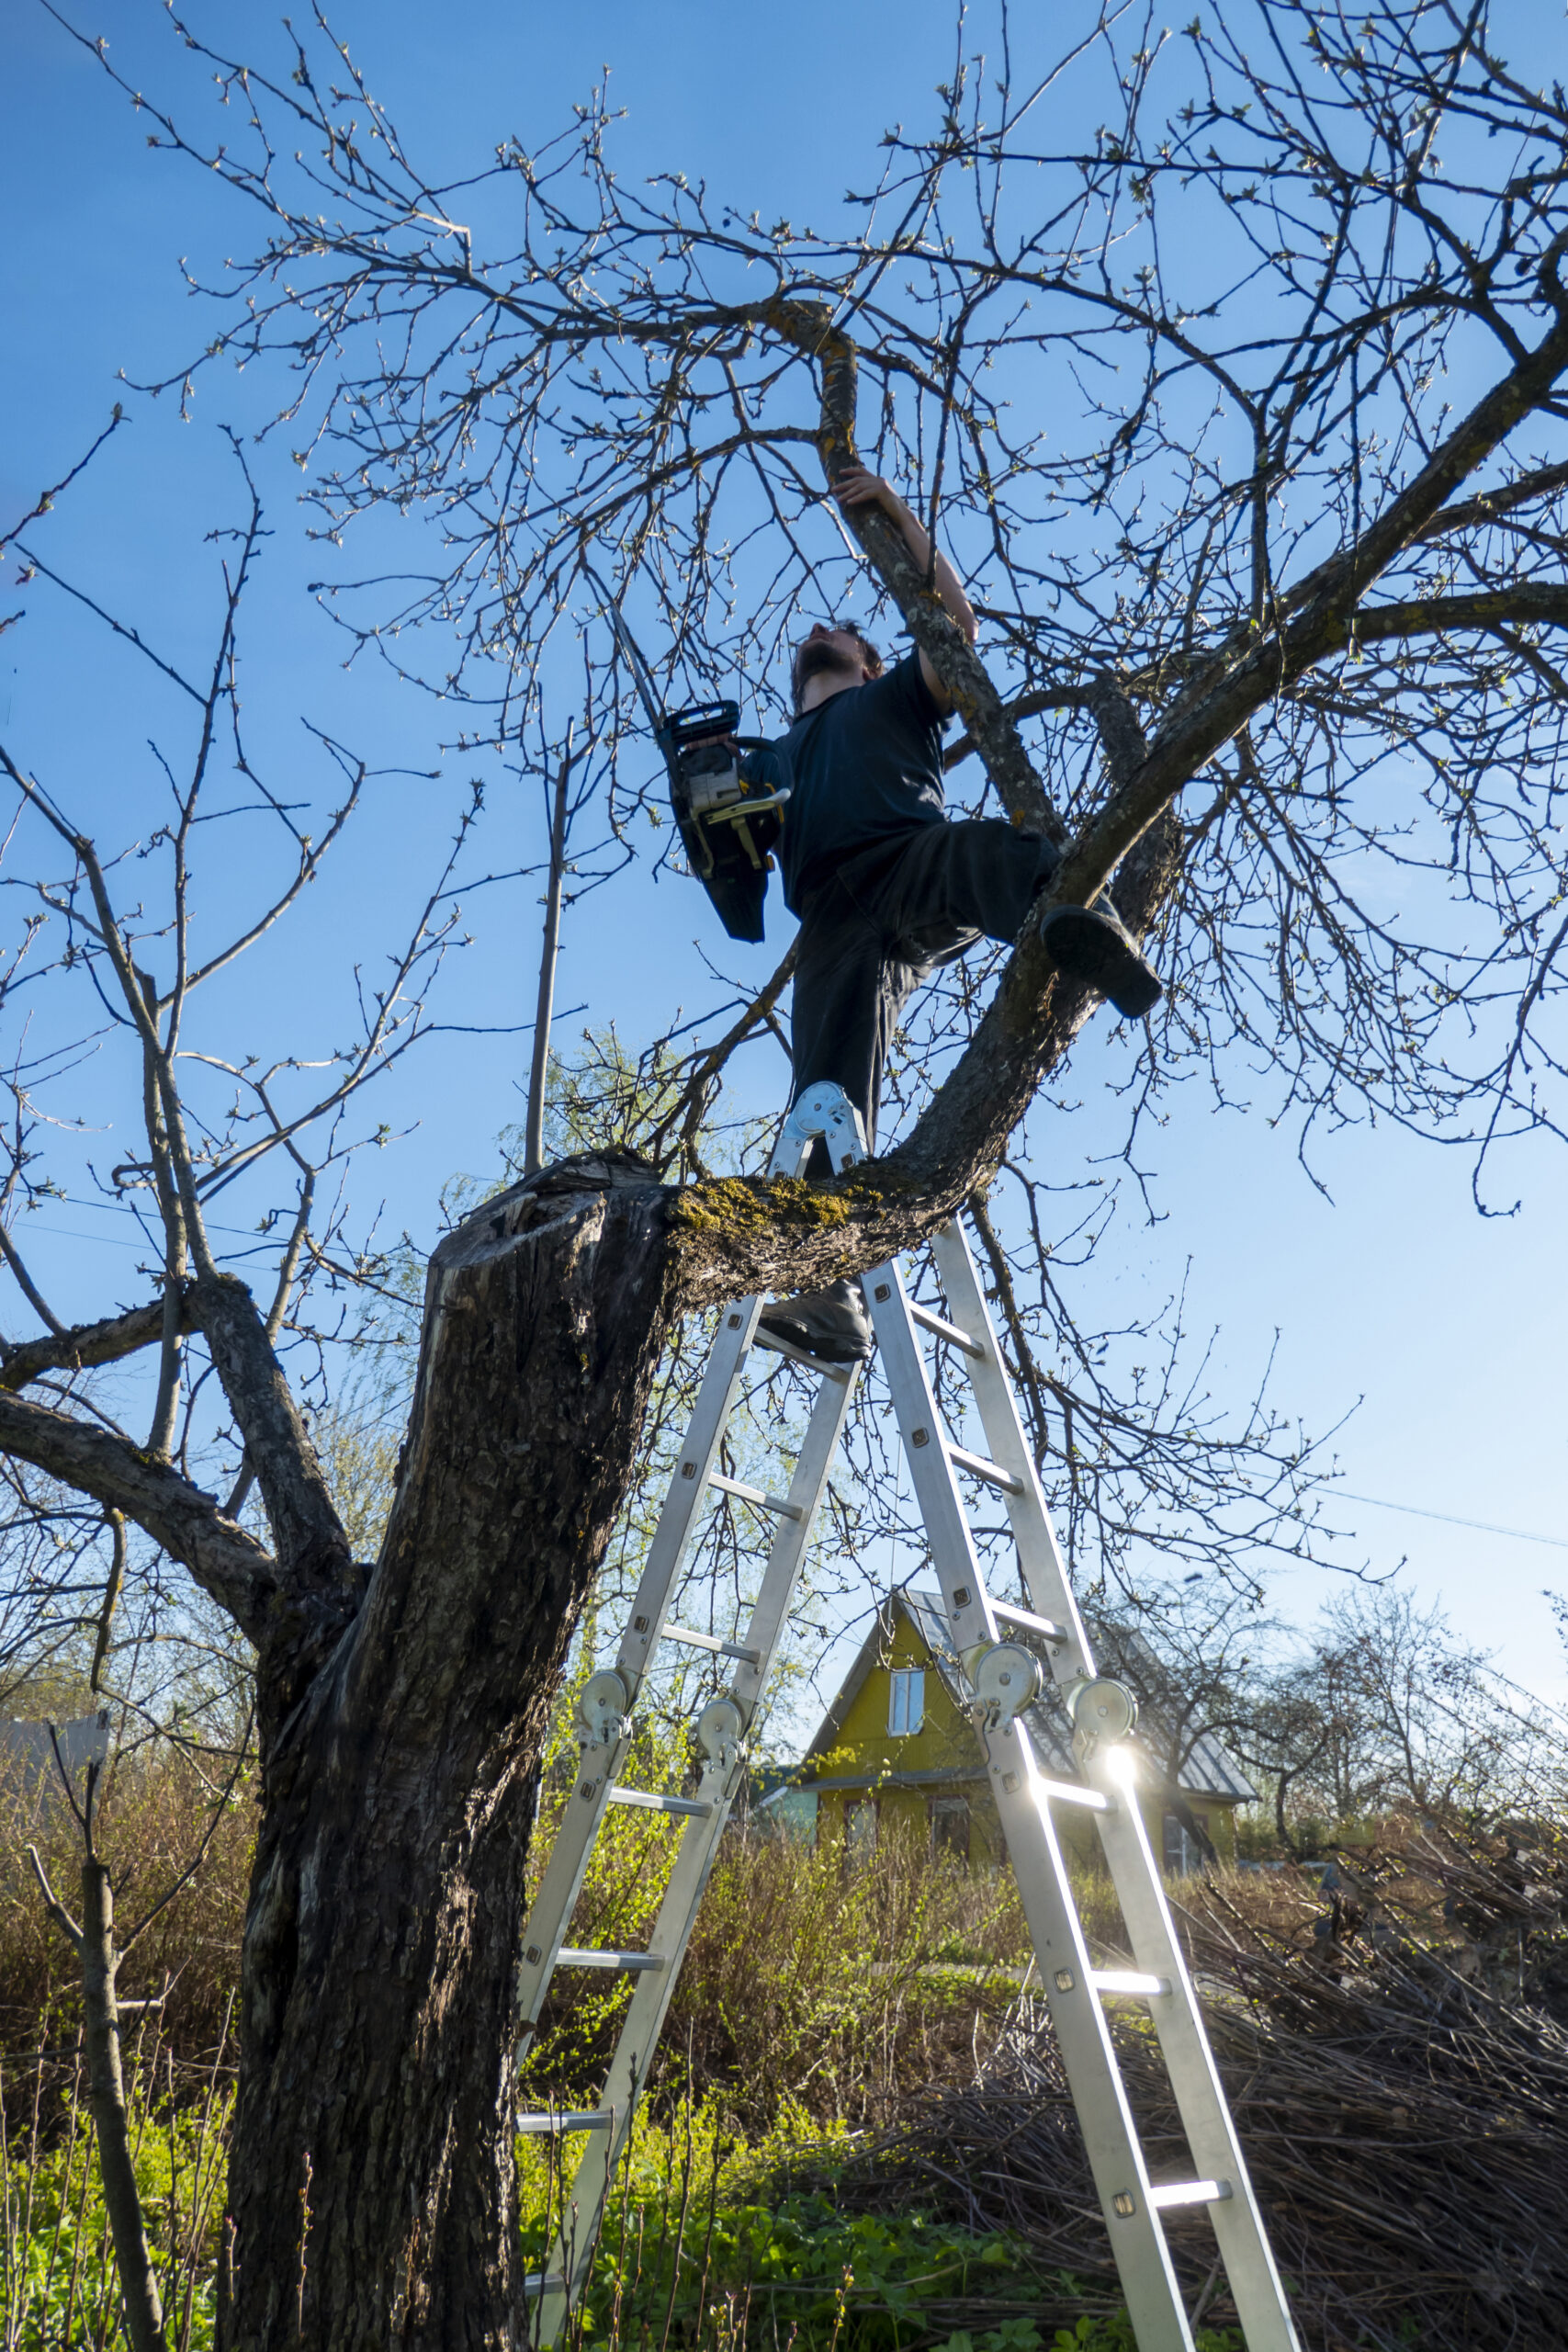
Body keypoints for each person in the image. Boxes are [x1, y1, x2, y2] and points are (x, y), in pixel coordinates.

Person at [758, 467, 1162, 1365]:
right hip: (828, 922)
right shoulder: (775, 755)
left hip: (910, 861)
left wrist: (894, 512)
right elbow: (733, 860)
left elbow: (957, 633)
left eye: (839, 628)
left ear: (866, 660)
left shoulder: (890, 696)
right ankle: (833, 1298)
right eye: (815, 632)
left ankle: (1072, 917)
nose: (818, 631)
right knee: (823, 1099)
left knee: (986, 849)